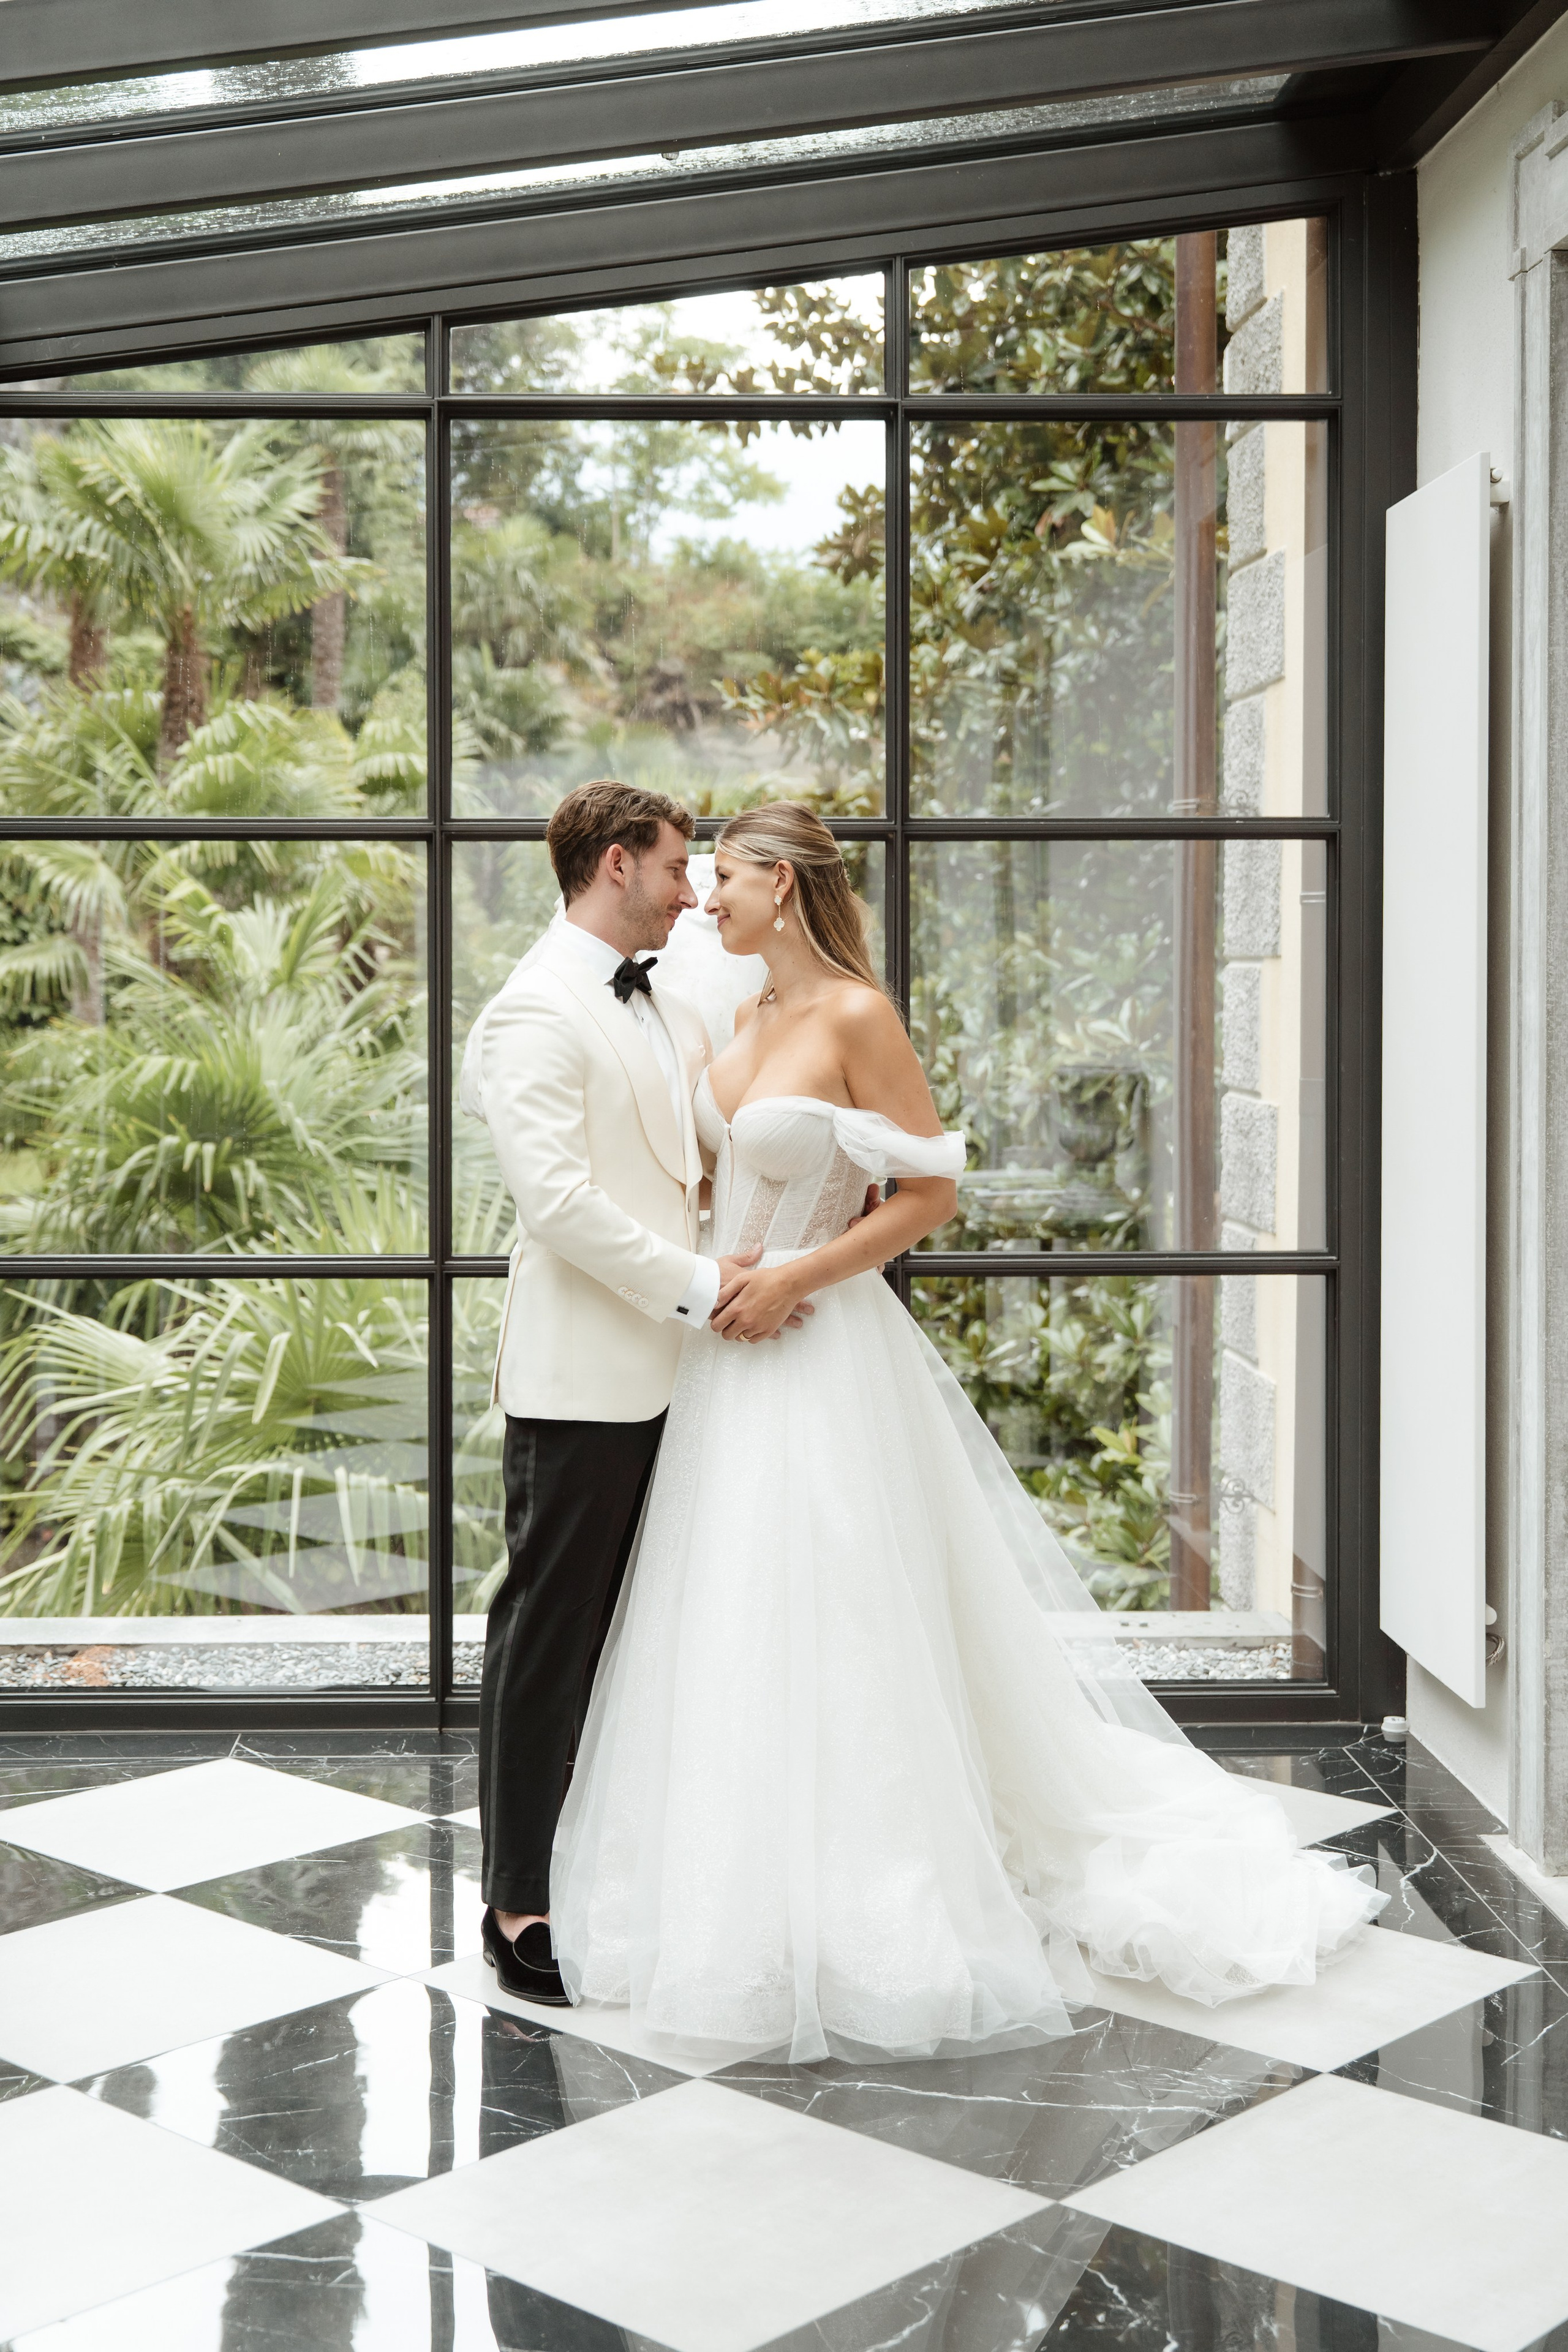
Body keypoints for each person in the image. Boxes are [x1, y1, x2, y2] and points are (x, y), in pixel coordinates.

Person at [549, 800, 1384, 2064]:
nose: (702, 901)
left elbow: (929, 1192)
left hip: (819, 1350)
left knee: (840, 1609)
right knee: (725, 1613)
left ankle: (881, 1906)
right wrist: (718, 1279)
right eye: (698, 879)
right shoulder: (734, 1017)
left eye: (720, 878)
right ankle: (738, 1896)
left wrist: (797, 1279)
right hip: (722, 1362)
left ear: (781, 883)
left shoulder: (852, 1016)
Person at [461, 779, 813, 2005]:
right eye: (675, 869)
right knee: (548, 1635)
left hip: (694, 1370)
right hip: (587, 1377)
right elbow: (556, 1206)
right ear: (617, 865)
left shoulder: (668, 993)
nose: (690, 892)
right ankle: (516, 1904)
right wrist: (698, 1284)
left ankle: (614, 1868)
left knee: (648, 1637)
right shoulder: (531, 1013)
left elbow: (715, 1135)